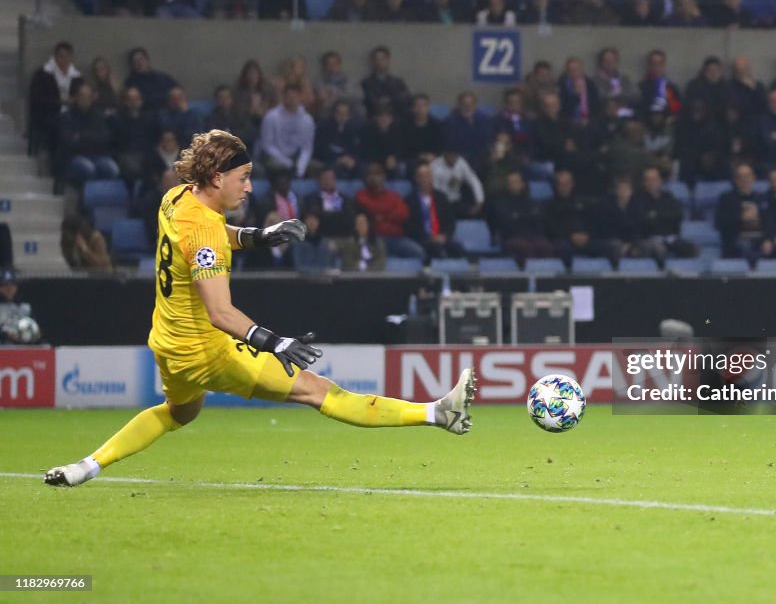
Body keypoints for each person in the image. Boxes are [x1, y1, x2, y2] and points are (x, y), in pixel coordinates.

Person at [44, 130, 475, 488]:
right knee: (320, 391)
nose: (249, 186)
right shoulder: (204, 232)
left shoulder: (176, 198)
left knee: (178, 413)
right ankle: (439, 413)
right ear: (216, 177)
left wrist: (258, 235)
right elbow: (221, 313)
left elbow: (212, 233)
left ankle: (88, 466)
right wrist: (275, 341)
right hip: (207, 350)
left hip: (167, 342)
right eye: (244, 177)